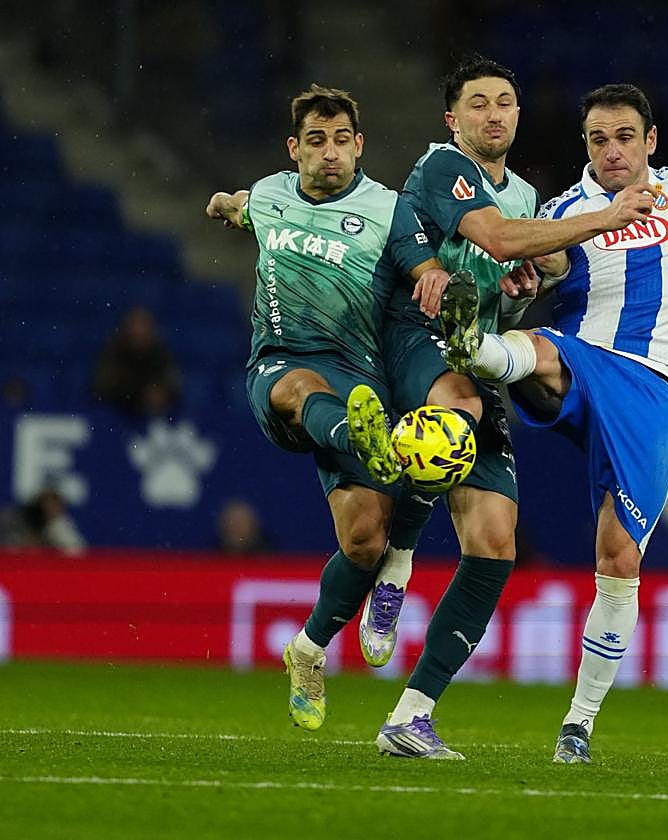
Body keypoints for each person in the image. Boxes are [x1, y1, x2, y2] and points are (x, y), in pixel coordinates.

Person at [346, 56, 657, 760]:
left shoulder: (524, 194)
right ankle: (398, 562)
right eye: (479, 103)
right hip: (419, 338)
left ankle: (410, 717)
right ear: (452, 118)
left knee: (495, 543)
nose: (494, 114)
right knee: (456, 419)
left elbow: (506, 277)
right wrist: (605, 219)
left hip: (477, 350)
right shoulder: (442, 166)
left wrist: (522, 289)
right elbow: (493, 237)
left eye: (506, 102)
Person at [449, 83, 668, 765]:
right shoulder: (562, 211)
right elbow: (539, 269)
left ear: (650, 141)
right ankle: (472, 348)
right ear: (585, 146)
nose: (612, 150)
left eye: (625, 136)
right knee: (539, 349)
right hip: (581, 361)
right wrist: (529, 281)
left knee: (619, 559)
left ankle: (579, 724)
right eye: (598, 139)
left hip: (647, 390)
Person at [205, 83, 449, 735]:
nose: (330, 152)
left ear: (359, 145)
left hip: (360, 378)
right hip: (280, 364)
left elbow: (422, 263)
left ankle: (308, 650)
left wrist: (436, 277)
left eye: (342, 140)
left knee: (363, 542)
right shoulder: (271, 194)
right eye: (317, 141)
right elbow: (242, 205)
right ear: (295, 149)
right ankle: (357, 435)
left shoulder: (387, 208)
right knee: (298, 387)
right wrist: (225, 203)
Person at [92, 306, 181, 417]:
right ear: (126, 329)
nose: (139, 331)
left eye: (143, 326)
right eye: (135, 326)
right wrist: (139, 395)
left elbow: (174, 385)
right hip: (118, 415)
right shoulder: (112, 353)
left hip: (154, 417)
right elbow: (102, 388)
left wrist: (162, 393)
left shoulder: (161, 354)